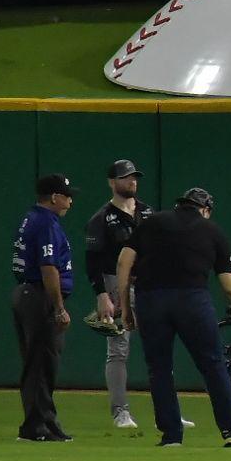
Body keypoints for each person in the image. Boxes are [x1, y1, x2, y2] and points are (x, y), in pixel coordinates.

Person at [116, 188, 231, 448]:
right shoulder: (212, 231)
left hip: (151, 300)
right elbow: (228, 285)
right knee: (213, 365)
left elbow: (124, 263)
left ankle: (171, 435)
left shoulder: (151, 223)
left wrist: (125, 307)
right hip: (191, 300)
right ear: (205, 209)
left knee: (159, 369)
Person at [84, 159, 153, 430]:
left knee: (158, 346)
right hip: (115, 283)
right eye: (125, 177)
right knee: (118, 351)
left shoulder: (148, 213)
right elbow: (92, 262)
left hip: (148, 283)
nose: (132, 181)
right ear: (112, 182)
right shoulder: (101, 219)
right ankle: (120, 411)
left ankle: (167, 410)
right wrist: (101, 294)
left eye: (134, 177)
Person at [10, 173, 77, 443]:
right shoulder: (46, 222)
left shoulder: (32, 218)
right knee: (41, 364)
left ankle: (44, 423)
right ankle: (37, 427)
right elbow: (48, 266)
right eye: (67, 195)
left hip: (27, 293)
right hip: (39, 297)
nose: (70, 200)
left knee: (38, 363)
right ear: (54, 197)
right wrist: (59, 306)